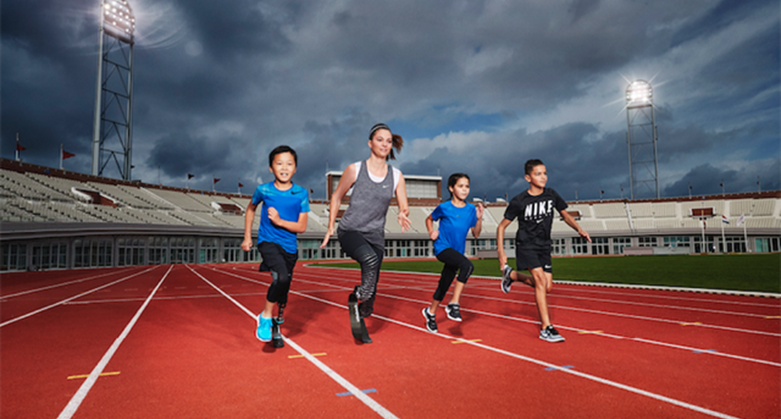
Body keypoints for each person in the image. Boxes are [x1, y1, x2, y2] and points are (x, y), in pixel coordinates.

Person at [320, 123, 411, 337]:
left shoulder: (396, 175)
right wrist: (331, 225)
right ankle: (357, 294)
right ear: (370, 143)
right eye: (380, 139)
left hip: (376, 236)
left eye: (388, 141)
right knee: (369, 262)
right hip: (351, 230)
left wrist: (402, 213)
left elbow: (403, 204)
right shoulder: (356, 169)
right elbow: (336, 196)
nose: (385, 144)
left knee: (370, 301)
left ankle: (362, 309)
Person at [496, 159, 590, 343]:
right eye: (538, 174)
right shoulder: (519, 201)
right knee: (539, 281)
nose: (543, 177)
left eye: (545, 173)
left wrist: (579, 229)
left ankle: (512, 276)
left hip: (544, 246)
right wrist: (501, 252)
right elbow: (501, 227)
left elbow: (565, 214)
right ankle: (546, 328)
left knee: (547, 287)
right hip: (526, 245)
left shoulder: (551, 195)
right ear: (527, 177)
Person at [242, 145, 309, 344]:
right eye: (279, 163)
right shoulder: (263, 190)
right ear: (271, 168)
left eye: (289, 163)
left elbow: (302, 227)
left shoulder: (301, 193)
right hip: (268, 241)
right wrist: (247, 237)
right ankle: (265, 317)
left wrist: (280, 221)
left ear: (295, 168)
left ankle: (277, 321)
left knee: (284, 285)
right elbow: (250, 209)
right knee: (280, 277)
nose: (284, 167)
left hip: (290, 247)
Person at [421, 173, 483, 333]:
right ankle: (453, 303)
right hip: (442, 247)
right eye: (460, 186)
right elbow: (429, 219)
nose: (464, 189)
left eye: (467, 186)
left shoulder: (470, 209)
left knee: (445, 283)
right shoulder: (444, 207)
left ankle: (431, 312)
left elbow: (476, 234)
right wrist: (431, 231)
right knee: (467, 266)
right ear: (451, 188)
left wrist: (479, 219)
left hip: (457, 251)